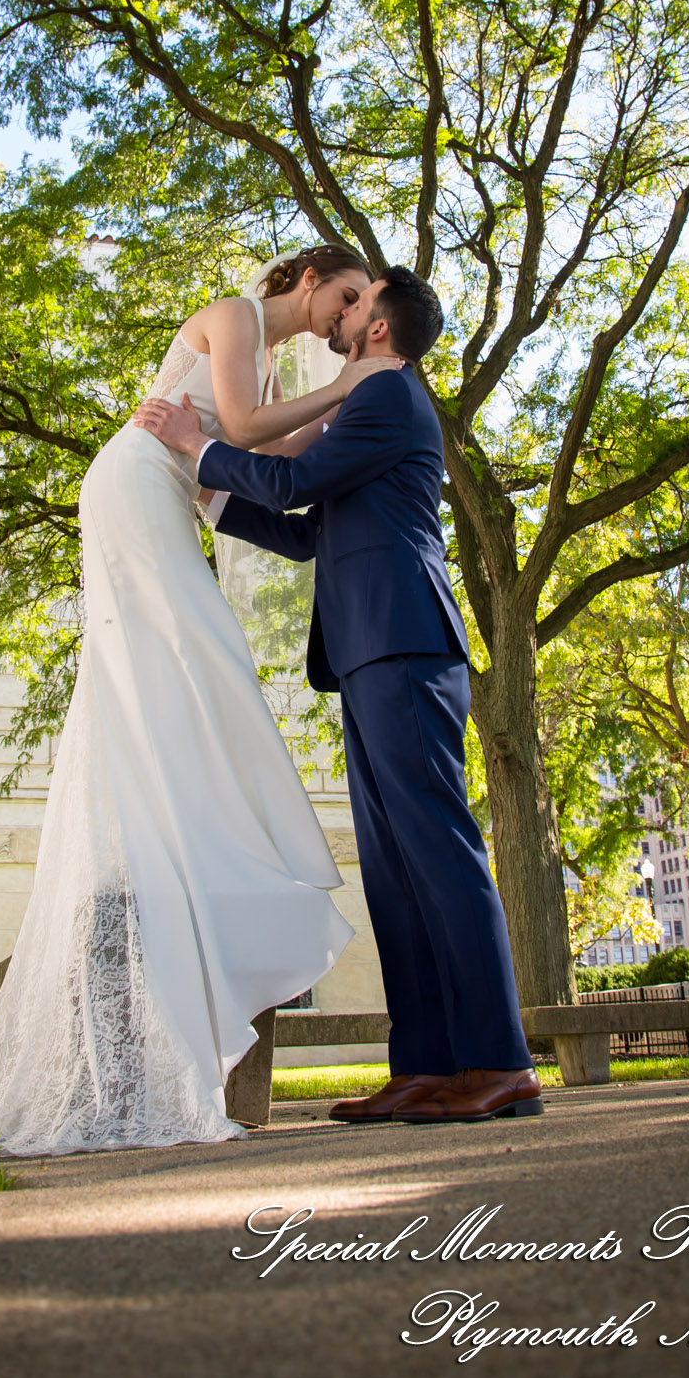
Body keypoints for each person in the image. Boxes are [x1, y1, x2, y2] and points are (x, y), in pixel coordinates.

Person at [0, 246, 398, 1156]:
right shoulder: (232, 317)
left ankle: (189, 837)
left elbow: (270, 448)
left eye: (355, 311)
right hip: (134, 486)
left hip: (171, 497)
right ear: (308, 281)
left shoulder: (261, 362)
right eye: (342, 299)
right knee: (197, 652)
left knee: (189, 670)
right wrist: (348, 387)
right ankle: (194, 827)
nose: (343, 320)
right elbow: (249, 429)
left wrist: (344, 417)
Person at [134, 265, 542, 1124]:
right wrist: (207, 493)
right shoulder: (370, 406)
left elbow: (289, 485)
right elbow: (307, 531)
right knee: (394, 871)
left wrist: (195, 445)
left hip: (405, 642)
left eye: (359, 308)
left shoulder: (387, 397)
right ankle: (427, 1065)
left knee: (440, 850)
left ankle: (500, 1062)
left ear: (381, 330)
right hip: (365, 650)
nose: (345, 318)